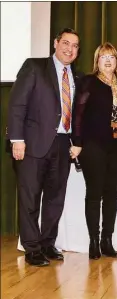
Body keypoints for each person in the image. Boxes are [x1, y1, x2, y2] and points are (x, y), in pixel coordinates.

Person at [6, 28, 80, 267]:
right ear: (56, 43)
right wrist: (16, 139)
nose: (70, 49)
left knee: (55, 198)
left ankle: (48, 243)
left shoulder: (76, 77)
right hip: (32, 144)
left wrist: (76, 141)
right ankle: (32, 248)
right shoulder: (34, 67)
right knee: (30, 198)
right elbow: (17, 104)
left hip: (62, 144)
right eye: (66, 43)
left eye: (75, 46)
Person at [70, 42, 117, 260]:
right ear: (97, 61)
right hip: (93, 146)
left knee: (111, 195)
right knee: (94, 195)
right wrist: (77, 142)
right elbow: (78, 113)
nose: (107, 61)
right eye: (103, 57)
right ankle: (93, 241)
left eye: (111, 57)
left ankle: (107, 240)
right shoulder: (89, 82)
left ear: (116, 62)